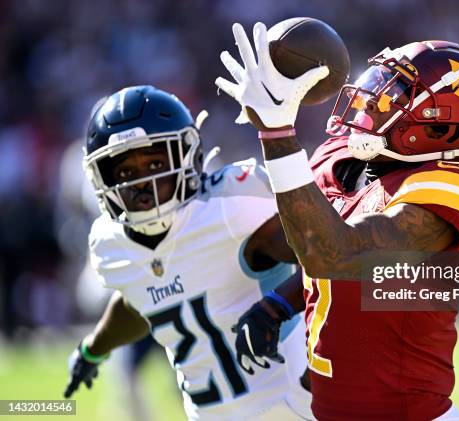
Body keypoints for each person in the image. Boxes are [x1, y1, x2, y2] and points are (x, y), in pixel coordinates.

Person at [216, 23, 459, 420]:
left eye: (398, 93)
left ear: (441, 125)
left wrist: (277, 135)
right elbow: (317, 246)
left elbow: (340, 257)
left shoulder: (447, 188)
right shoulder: (345, 158)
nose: (373, 99)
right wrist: (280, 303)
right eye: (383, 81)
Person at [62, 85, 312, 420]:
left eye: (155, 163)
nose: (143, 184)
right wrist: (93, 349)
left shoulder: (229, 205)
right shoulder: (110, 246)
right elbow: (142, 301)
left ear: (188, 155)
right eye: (124, 172)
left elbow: (325, 261)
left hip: (295, 408)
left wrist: (278, 305)